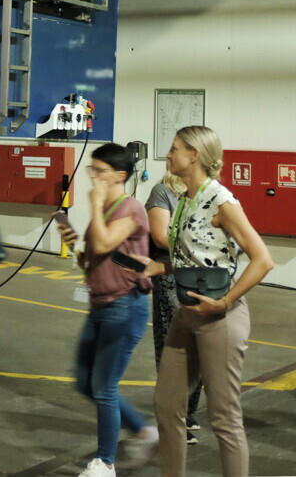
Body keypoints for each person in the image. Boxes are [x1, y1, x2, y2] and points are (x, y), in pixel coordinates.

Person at [137, 126, 274, 477]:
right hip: (187, 313)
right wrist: (159, 265)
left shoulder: (222, 201)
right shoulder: (183, 198)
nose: (168, 154)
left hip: (220, 317)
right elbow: (194, 257)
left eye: (174, 148)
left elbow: (262, 260)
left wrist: (226, 301)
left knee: (224, 417)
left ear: (194, 154)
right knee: (167, 405)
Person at [54, 143, 158, 477]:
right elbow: (96, 256)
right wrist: (75, 246)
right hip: (100, 304)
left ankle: (105, 462)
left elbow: (103, 242)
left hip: (124, 307)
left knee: (104, 387)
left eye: (99, 171)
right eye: (92, 170)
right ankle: (143, 431)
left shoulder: (131, 209)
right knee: (85, 381)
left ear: (120, 176)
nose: (93, 178)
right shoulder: (109, 207)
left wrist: (96, 206)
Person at [145, 173, 204, 445]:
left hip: (202, 276)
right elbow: (160, 238)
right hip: (171, 277)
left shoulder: (207, 192)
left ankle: (188, 413)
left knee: (200, 346)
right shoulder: (162, 192)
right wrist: (200, 245)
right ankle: (174, 417)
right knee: (173, 347)